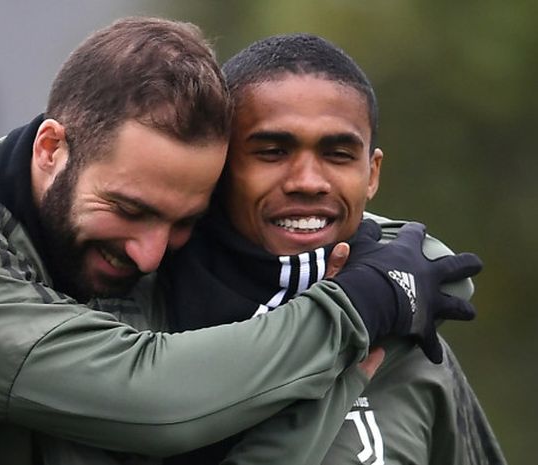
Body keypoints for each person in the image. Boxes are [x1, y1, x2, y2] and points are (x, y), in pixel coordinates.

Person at [0, 17, 481, 465]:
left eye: (183, 223)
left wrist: (407, 263)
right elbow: (153, 396)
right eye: (128, 208)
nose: (149, 253)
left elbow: (368, 242)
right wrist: (359, 306)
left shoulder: (103, 253)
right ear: (52, 148)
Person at [153, 34, 505, 464]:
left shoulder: (412, 347)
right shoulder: (139, 314)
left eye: (338, 154)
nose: (307, 180)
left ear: (371, 173)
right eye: (272, 152)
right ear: (220, 165)